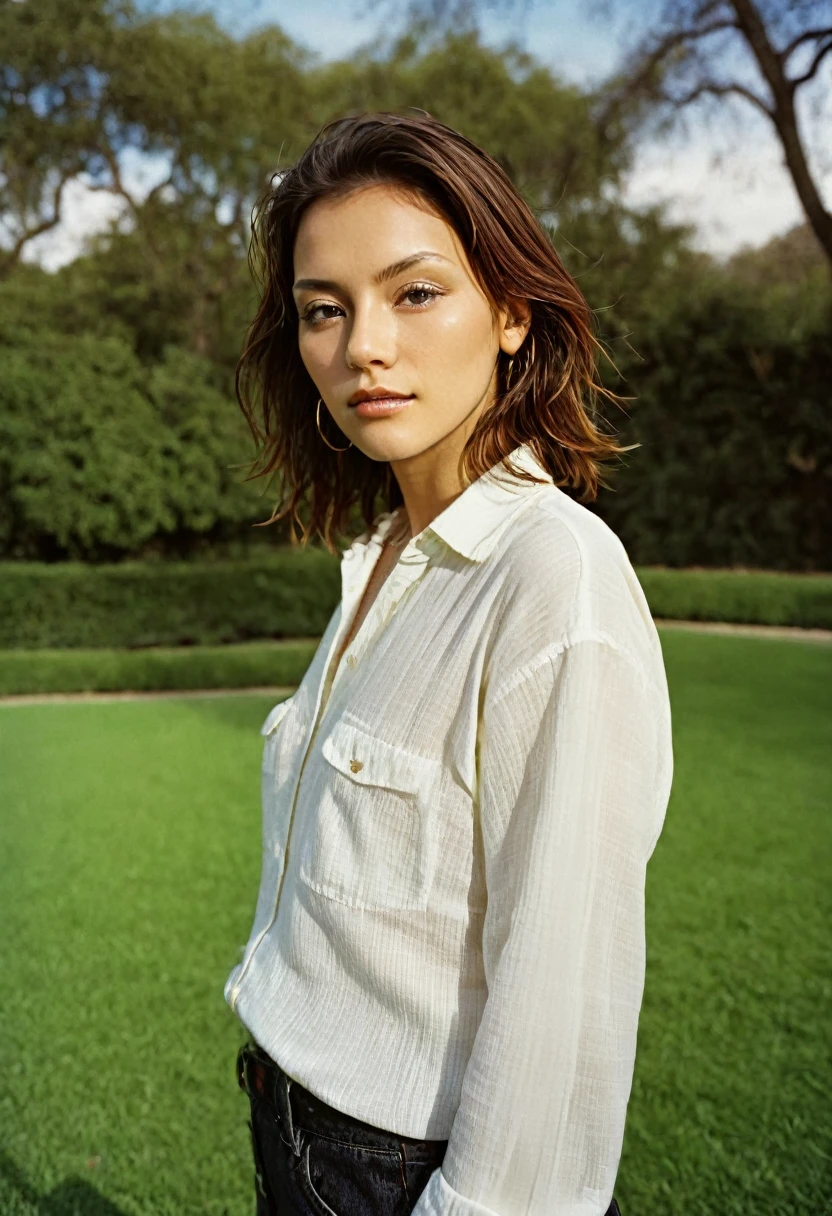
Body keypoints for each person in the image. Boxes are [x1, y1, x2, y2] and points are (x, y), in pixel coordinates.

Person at [225, 109, 673, 1216]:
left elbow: (562, 992)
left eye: (414, 293)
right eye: (322, 310)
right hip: (293, 1122)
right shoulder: (381, 560)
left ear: (511, 311)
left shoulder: (552, 577)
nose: (361, 345)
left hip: (402, 1174)